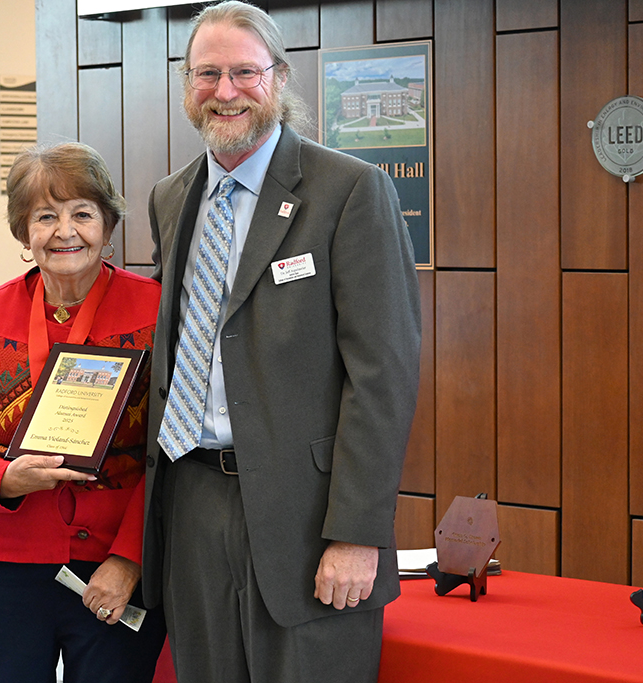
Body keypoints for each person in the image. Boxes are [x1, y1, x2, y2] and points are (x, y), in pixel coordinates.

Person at [141, 2, 421, 682]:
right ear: (186, 87)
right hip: (191, 497)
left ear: (280, 78)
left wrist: (356, 531)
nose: (226, 90)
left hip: (307, 515)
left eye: (245, 71)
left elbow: (381, 375)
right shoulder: (171, 197)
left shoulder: (350, 191)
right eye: (208, 73)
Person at [0, 142, 166, 683]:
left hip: (116, 563)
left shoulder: (155, 310)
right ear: (22, 230)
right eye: (45, 216)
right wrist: (6, 477)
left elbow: (171, 452)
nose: (65, 231)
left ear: (107, 223)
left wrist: (130, 558)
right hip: (4, 567)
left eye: (82, 213)